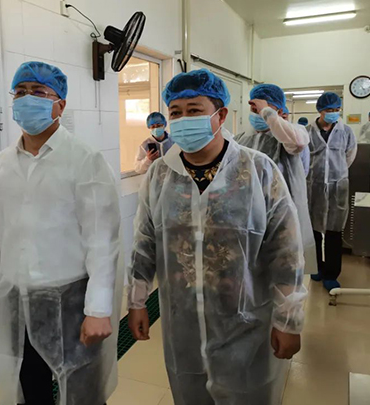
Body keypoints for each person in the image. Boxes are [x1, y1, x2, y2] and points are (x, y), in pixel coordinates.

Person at [127, 69, 307, 405]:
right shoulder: (159, 175)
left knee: (246, 396)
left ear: (220, 115)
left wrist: (289, 320)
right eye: (175, 112)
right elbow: (144, 242)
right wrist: (137, 302)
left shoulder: (258, 170)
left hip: (246, 322)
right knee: (188, 394)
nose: (183, 120)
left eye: (194, 110)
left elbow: (286, 251)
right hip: (182, 326)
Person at [0, 61, 121, 405]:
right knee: (29, 387)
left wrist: (98, 309)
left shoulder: (84, 160)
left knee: (81, 390)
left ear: (60, 105)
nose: (27, 99)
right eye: (20, 92)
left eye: (39, 92)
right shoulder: (1, 164)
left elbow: (101, 241)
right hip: (15, 299)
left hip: (71, 300)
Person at [236, 84, 316, 275]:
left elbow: (297, 144)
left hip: (281, 213)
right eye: (254, 110)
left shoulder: (293, 134)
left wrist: (267, 112)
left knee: (282, 266)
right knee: (252, 267)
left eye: (262, 109)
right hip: (249, 212)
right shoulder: (241, 138)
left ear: (279, 112)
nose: (257, 114)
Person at [307, 92, 357, 291]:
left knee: (334, 232)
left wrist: (337, 173)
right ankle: (316, 267)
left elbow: (350, 155)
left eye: (337, 110)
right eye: (329, 110)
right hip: (314, 186)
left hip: (338, 187)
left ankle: (331, 273)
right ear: (320, 110)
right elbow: (302, 158)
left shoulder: (346, 131)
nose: (334, 113)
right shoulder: (307, 131)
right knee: (314, 230)